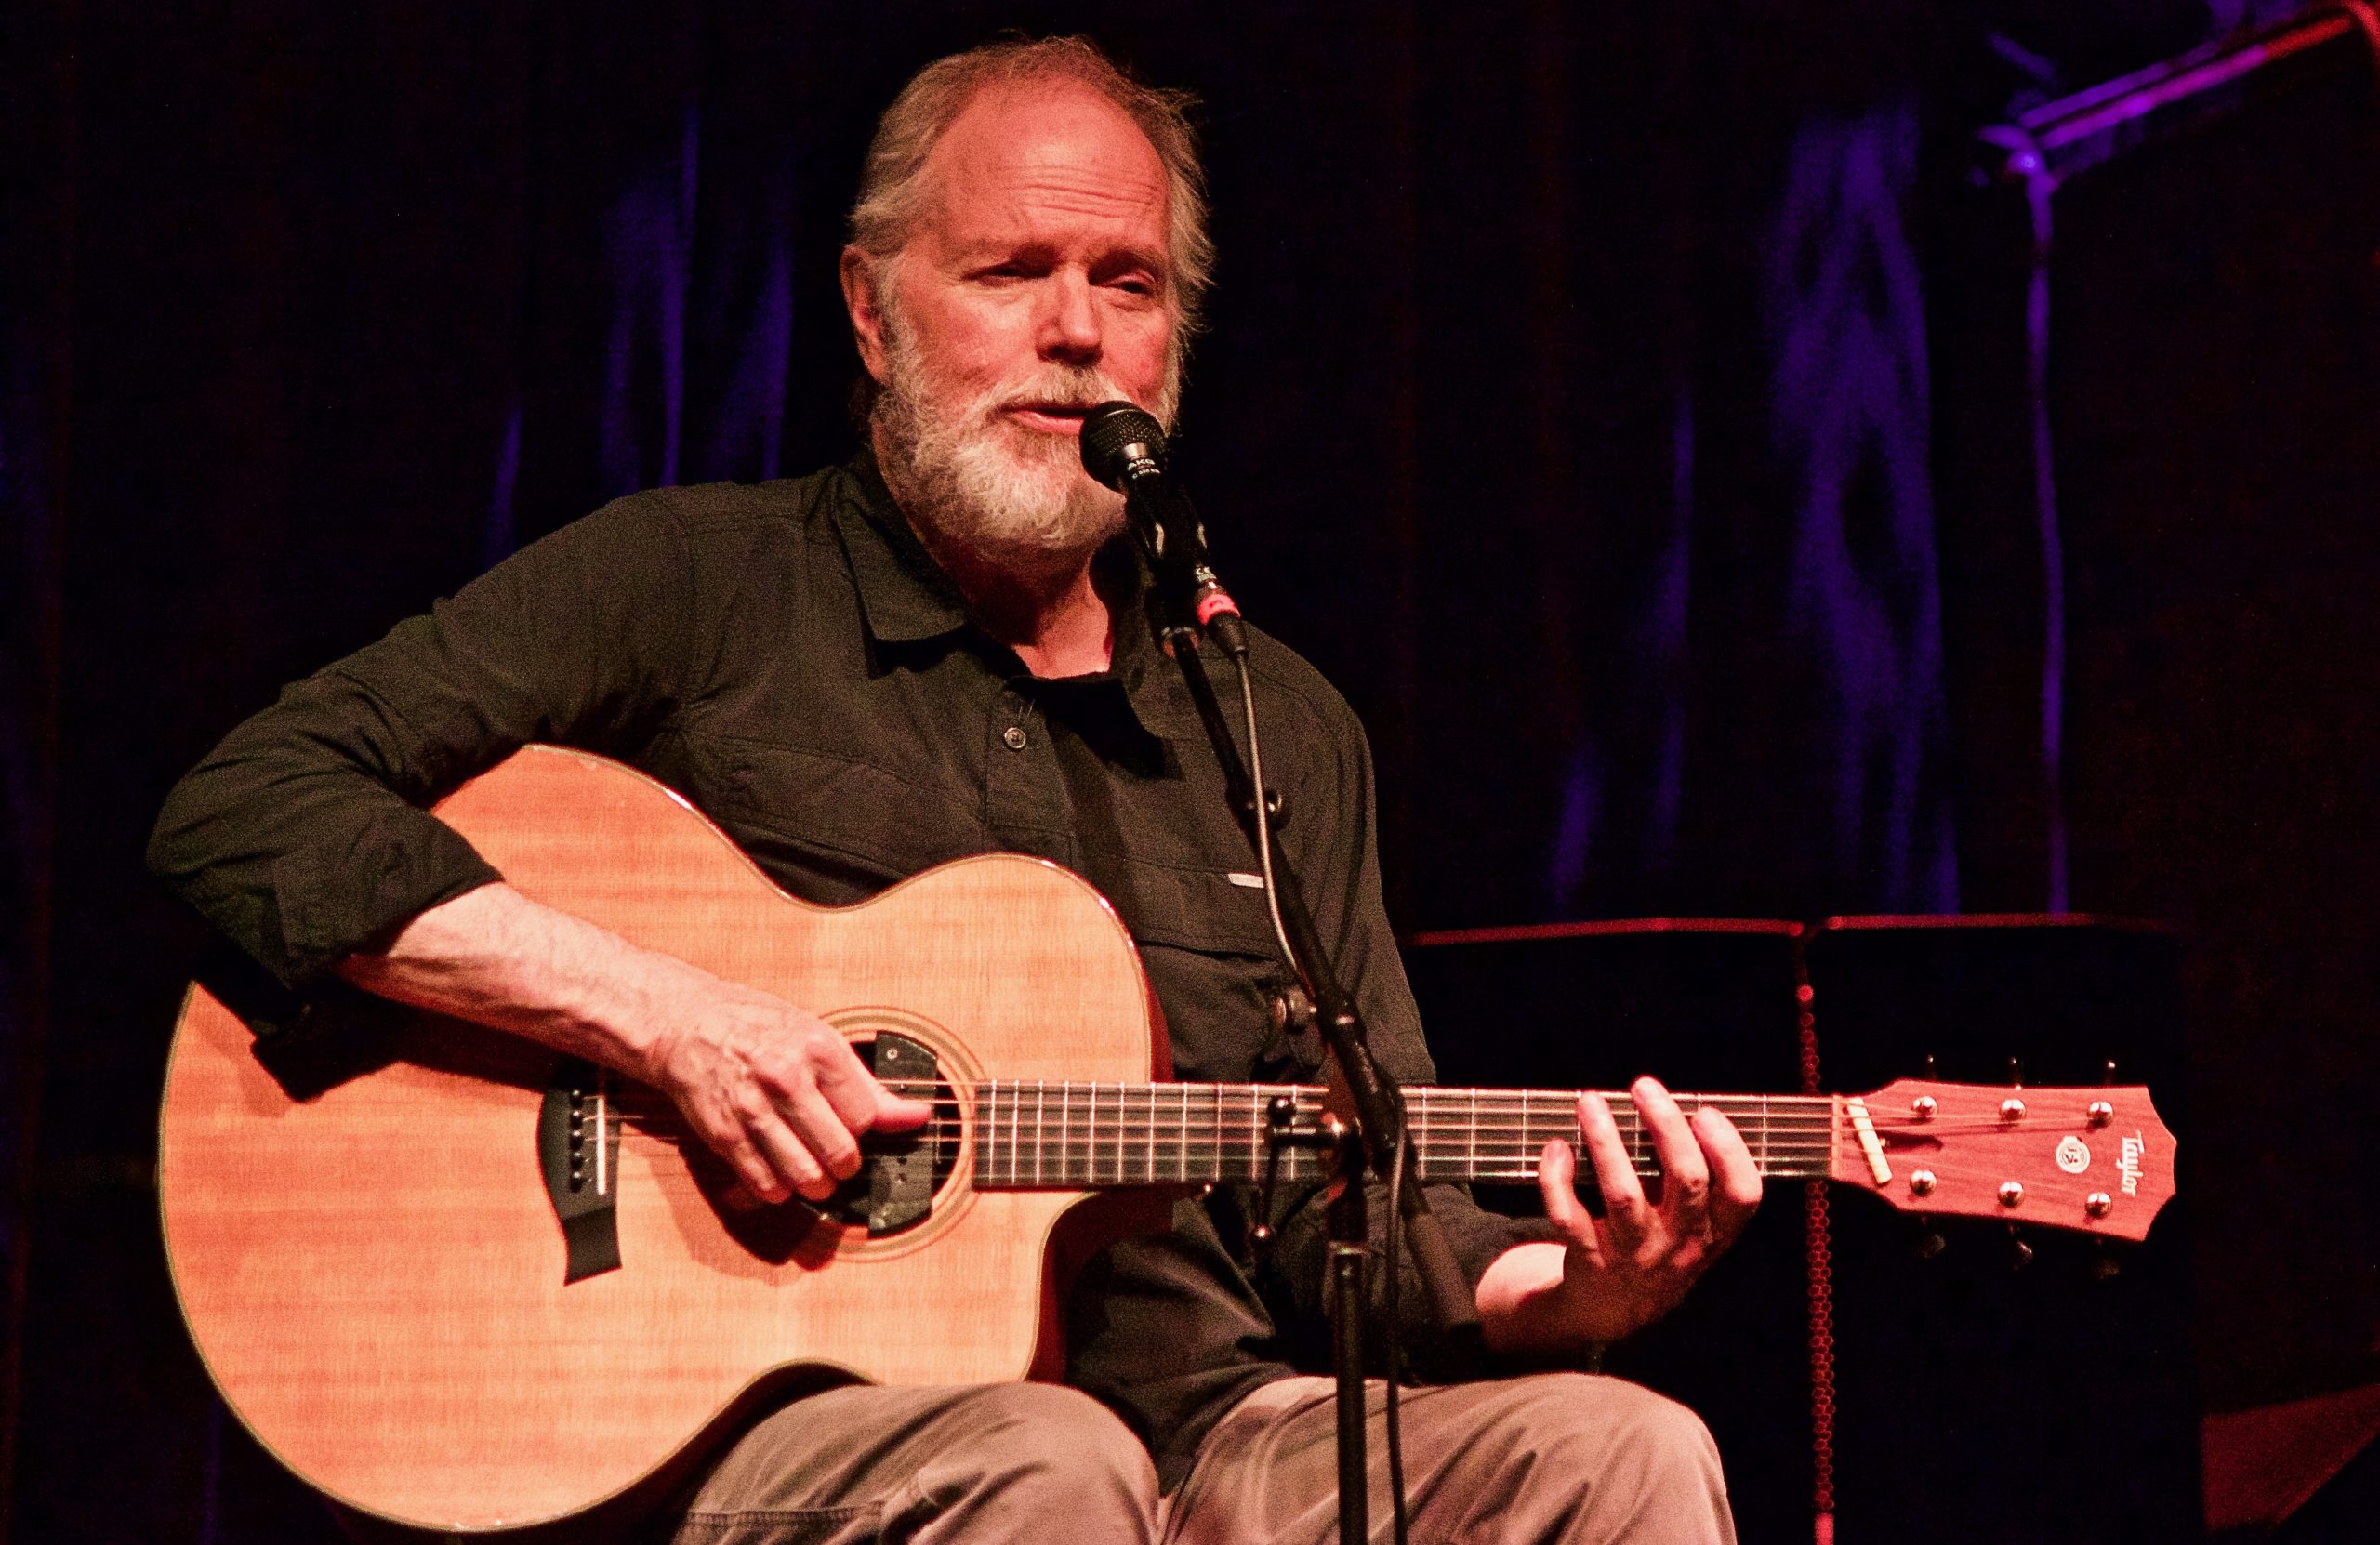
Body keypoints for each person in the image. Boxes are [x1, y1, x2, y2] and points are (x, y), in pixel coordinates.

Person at [150, 35, 1760, 1544]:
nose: (1077, 333)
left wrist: (1579, 1287)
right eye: (1011, 273)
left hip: (1215, 1439)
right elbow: (247, 809)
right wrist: (662, 1019)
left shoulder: (1274, 722)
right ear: (870, 310)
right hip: (773, 1432)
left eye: (1126, 283)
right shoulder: (694, 586)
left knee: (1626, 1449)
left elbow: (1363, 1214)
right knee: (1052, 1461)